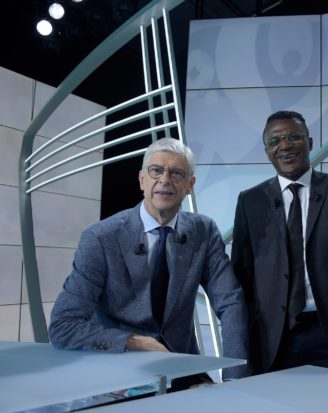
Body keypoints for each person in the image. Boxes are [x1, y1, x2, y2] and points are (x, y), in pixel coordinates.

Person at [49, 137, 249, 382]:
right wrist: (135, 342)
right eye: (156, 171)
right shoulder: (101, 238)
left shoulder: (203, 231)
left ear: (190, 184)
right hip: (117, 369)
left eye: (176, 173)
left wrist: (234, 377)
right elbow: (63, 327)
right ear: (142, 179)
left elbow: (231, 303)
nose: (164, 180)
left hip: (180, 365)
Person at [231, 110, 328, 374]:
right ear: (266, 152)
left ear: (309, 142)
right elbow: (242, 274)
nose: (284, 145)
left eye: (293, 137)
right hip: (275, 338)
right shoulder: (250, 201)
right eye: (274, 141)